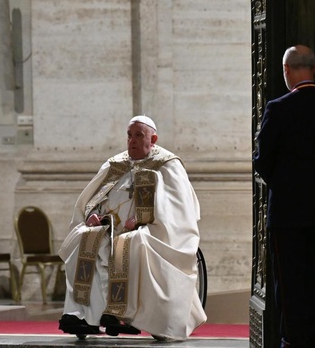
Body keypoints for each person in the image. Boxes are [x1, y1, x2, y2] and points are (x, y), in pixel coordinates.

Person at [57, 115, 206, 341]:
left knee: (132, 243)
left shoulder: (167, 164)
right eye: (129, 135)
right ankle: (83, 316)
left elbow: (179, 209)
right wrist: (92, 215)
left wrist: (143, 219)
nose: (132, 141)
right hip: (108, 229)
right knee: (84, 238)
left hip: (150, 230)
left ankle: (121, 314)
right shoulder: (116, 163)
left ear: (153, 138)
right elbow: (91, 198)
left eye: (139, 135)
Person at [253, 45, 315, 348]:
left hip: (287, 213)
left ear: (286, 70)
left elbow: (262, 160)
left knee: (290, 284)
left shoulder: (278, 108)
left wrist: (284, 185)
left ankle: (292, 342)